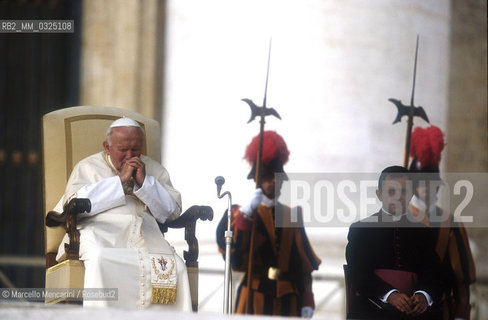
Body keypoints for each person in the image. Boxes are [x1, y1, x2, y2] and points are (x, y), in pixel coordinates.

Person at [53, 117, 192, 310]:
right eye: (122, 150)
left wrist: (145, 184)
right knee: (100, 257)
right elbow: (75, 204)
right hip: (101, 234)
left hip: (146, 235)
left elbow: (171, 213)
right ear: (107, 147)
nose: (129, 156)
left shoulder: (154, 169)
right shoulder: (87, 167)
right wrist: (120, 181)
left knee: (176, 266)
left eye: (135, 150)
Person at [216, 131, 321, 317]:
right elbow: (235, 259)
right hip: (254, 297)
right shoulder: (238, 213)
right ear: (257, 178)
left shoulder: (292, 214)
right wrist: (245, 217)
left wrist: (307, 300)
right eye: (267, 176)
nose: (273, 180)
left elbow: (303, 266)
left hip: (289, 299)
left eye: (277, 176)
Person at [345, 165, 442, 320]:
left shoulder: (424, 232)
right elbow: (358, 274)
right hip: (371, 308)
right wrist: (390, 295)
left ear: (411, 194)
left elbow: (433, 273)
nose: (398, 197)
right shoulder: (361, 229)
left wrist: (423, 295)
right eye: (391, 191)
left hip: (414, 313)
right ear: (379, 194)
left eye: (403, 191)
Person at [408, 125, 476, 320]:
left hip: (440, 311)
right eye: (422, 183)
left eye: (431, 182)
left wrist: (462, 314)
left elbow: (461, 279)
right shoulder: (398, 219)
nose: (427, 188)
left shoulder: (450, 223)